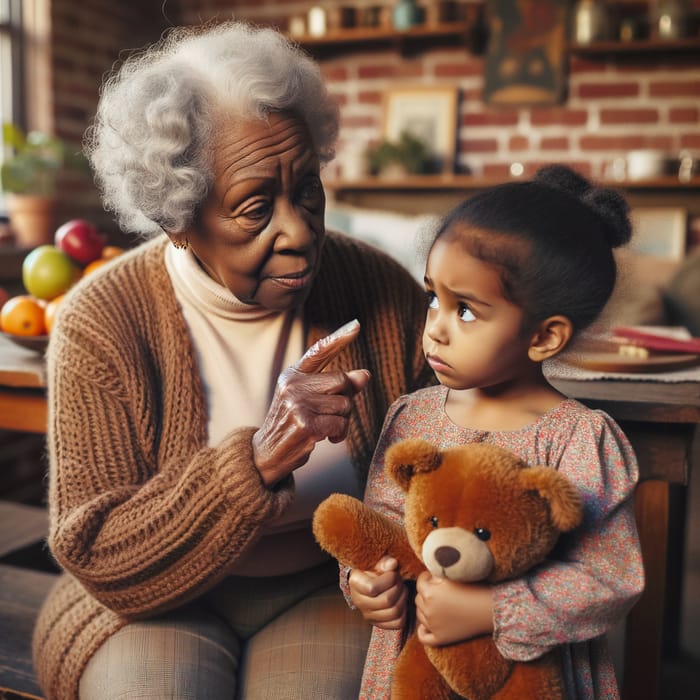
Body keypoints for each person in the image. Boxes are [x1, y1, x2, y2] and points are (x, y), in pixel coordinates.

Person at [31, 20, 433, 700]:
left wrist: (392, 572)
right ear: (178, 219)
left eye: (306, 188)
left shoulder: (382, 292)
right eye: (255, 208)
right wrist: (259, 460)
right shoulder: (100, 320)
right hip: (147, 605)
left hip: (325, 588)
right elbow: (97, 549)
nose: (300, 230)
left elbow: (441, 480)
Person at [346, 164, 645, 699]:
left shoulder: (578, 440)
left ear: (543, 336)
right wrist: (368, 586)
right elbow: (380, 534)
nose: (434, 325)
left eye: (466, 311)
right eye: (433, 296)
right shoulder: (412, 418)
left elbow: (611, 580)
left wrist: (492, 609)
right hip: (415, 671)